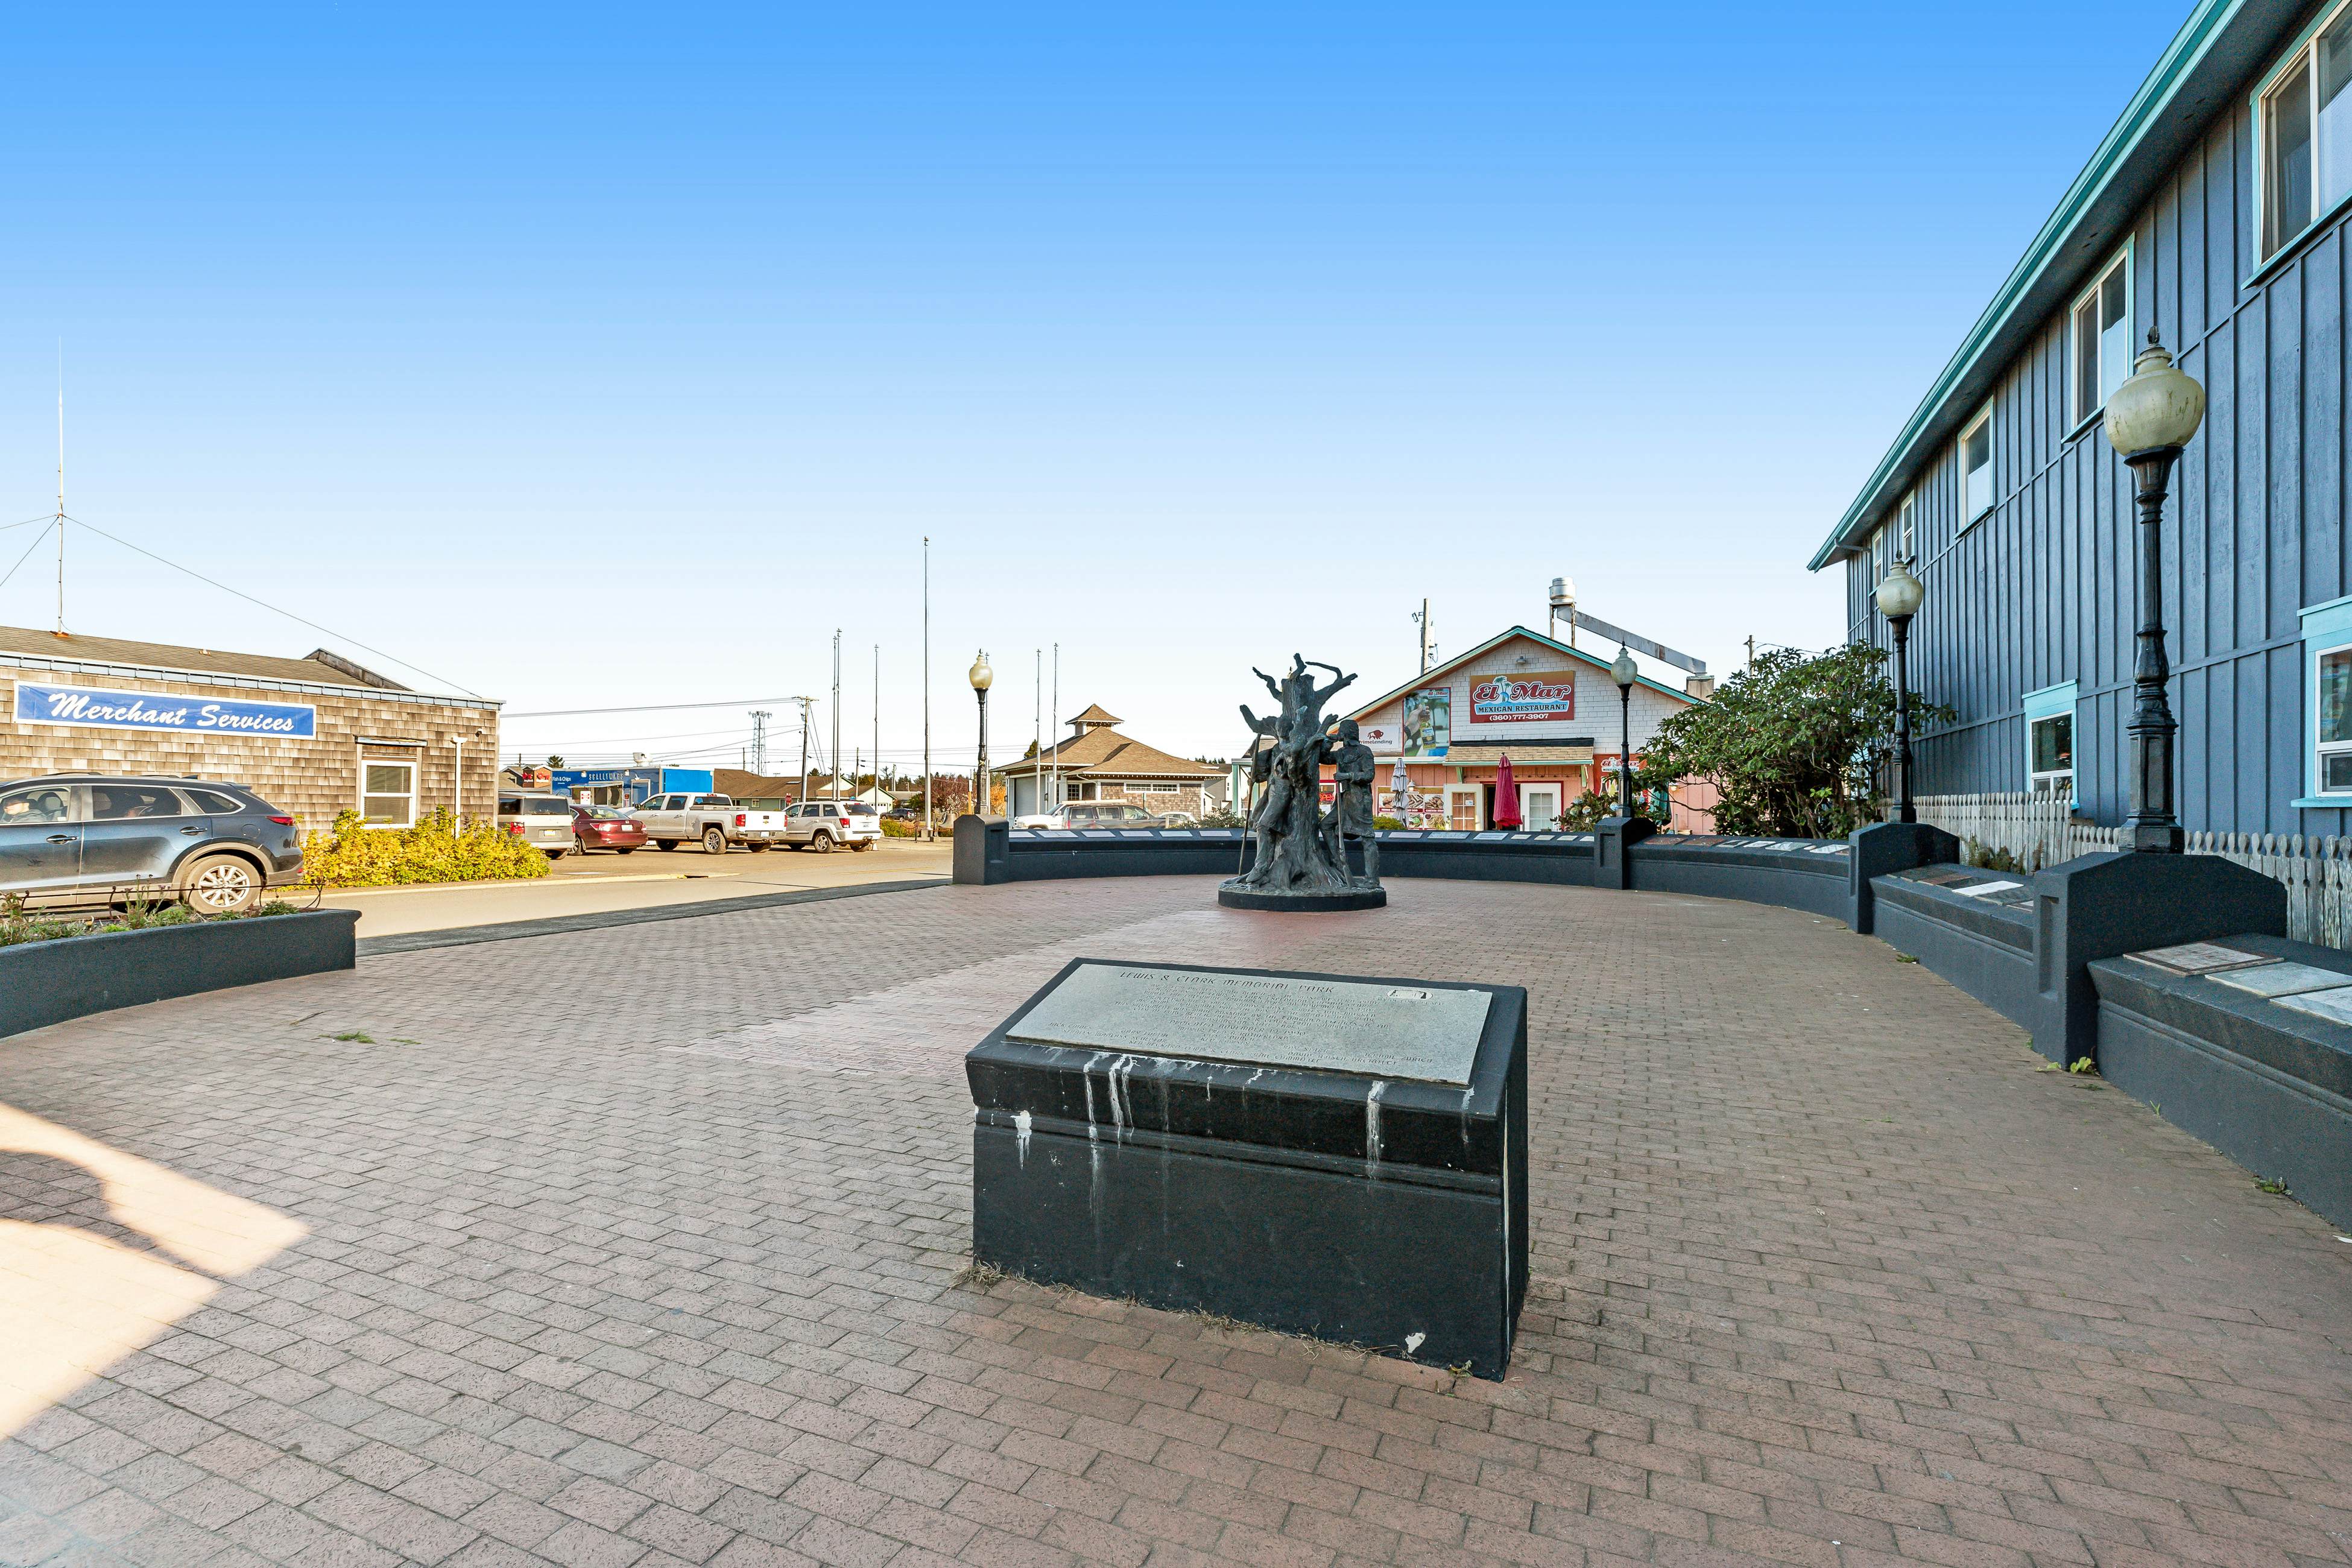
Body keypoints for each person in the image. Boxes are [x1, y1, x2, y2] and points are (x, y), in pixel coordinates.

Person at [1331, 719, 1380, 885]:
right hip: (1344, 800)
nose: (1341, 735)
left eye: (1342, 732)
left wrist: (1347, 776)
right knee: (1327, 825)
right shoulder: (1340, 753)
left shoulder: (1364, 751)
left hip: (1361, 800)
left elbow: (1369, 775)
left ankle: (1372, 879)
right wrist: (1327, 742)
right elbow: (1323, 757)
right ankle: (1339, 868)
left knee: (1367, 838)